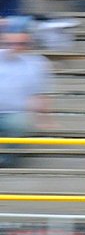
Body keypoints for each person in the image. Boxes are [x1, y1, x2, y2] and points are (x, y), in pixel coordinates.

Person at [0, 28, 51, 167]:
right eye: (10, 43)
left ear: (29, 45)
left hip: (16, 113)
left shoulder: (36, 63)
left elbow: (39, 93)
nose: (15, 47)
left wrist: (44, 119)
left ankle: (7, 161)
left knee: (18, 122)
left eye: (21, 43)